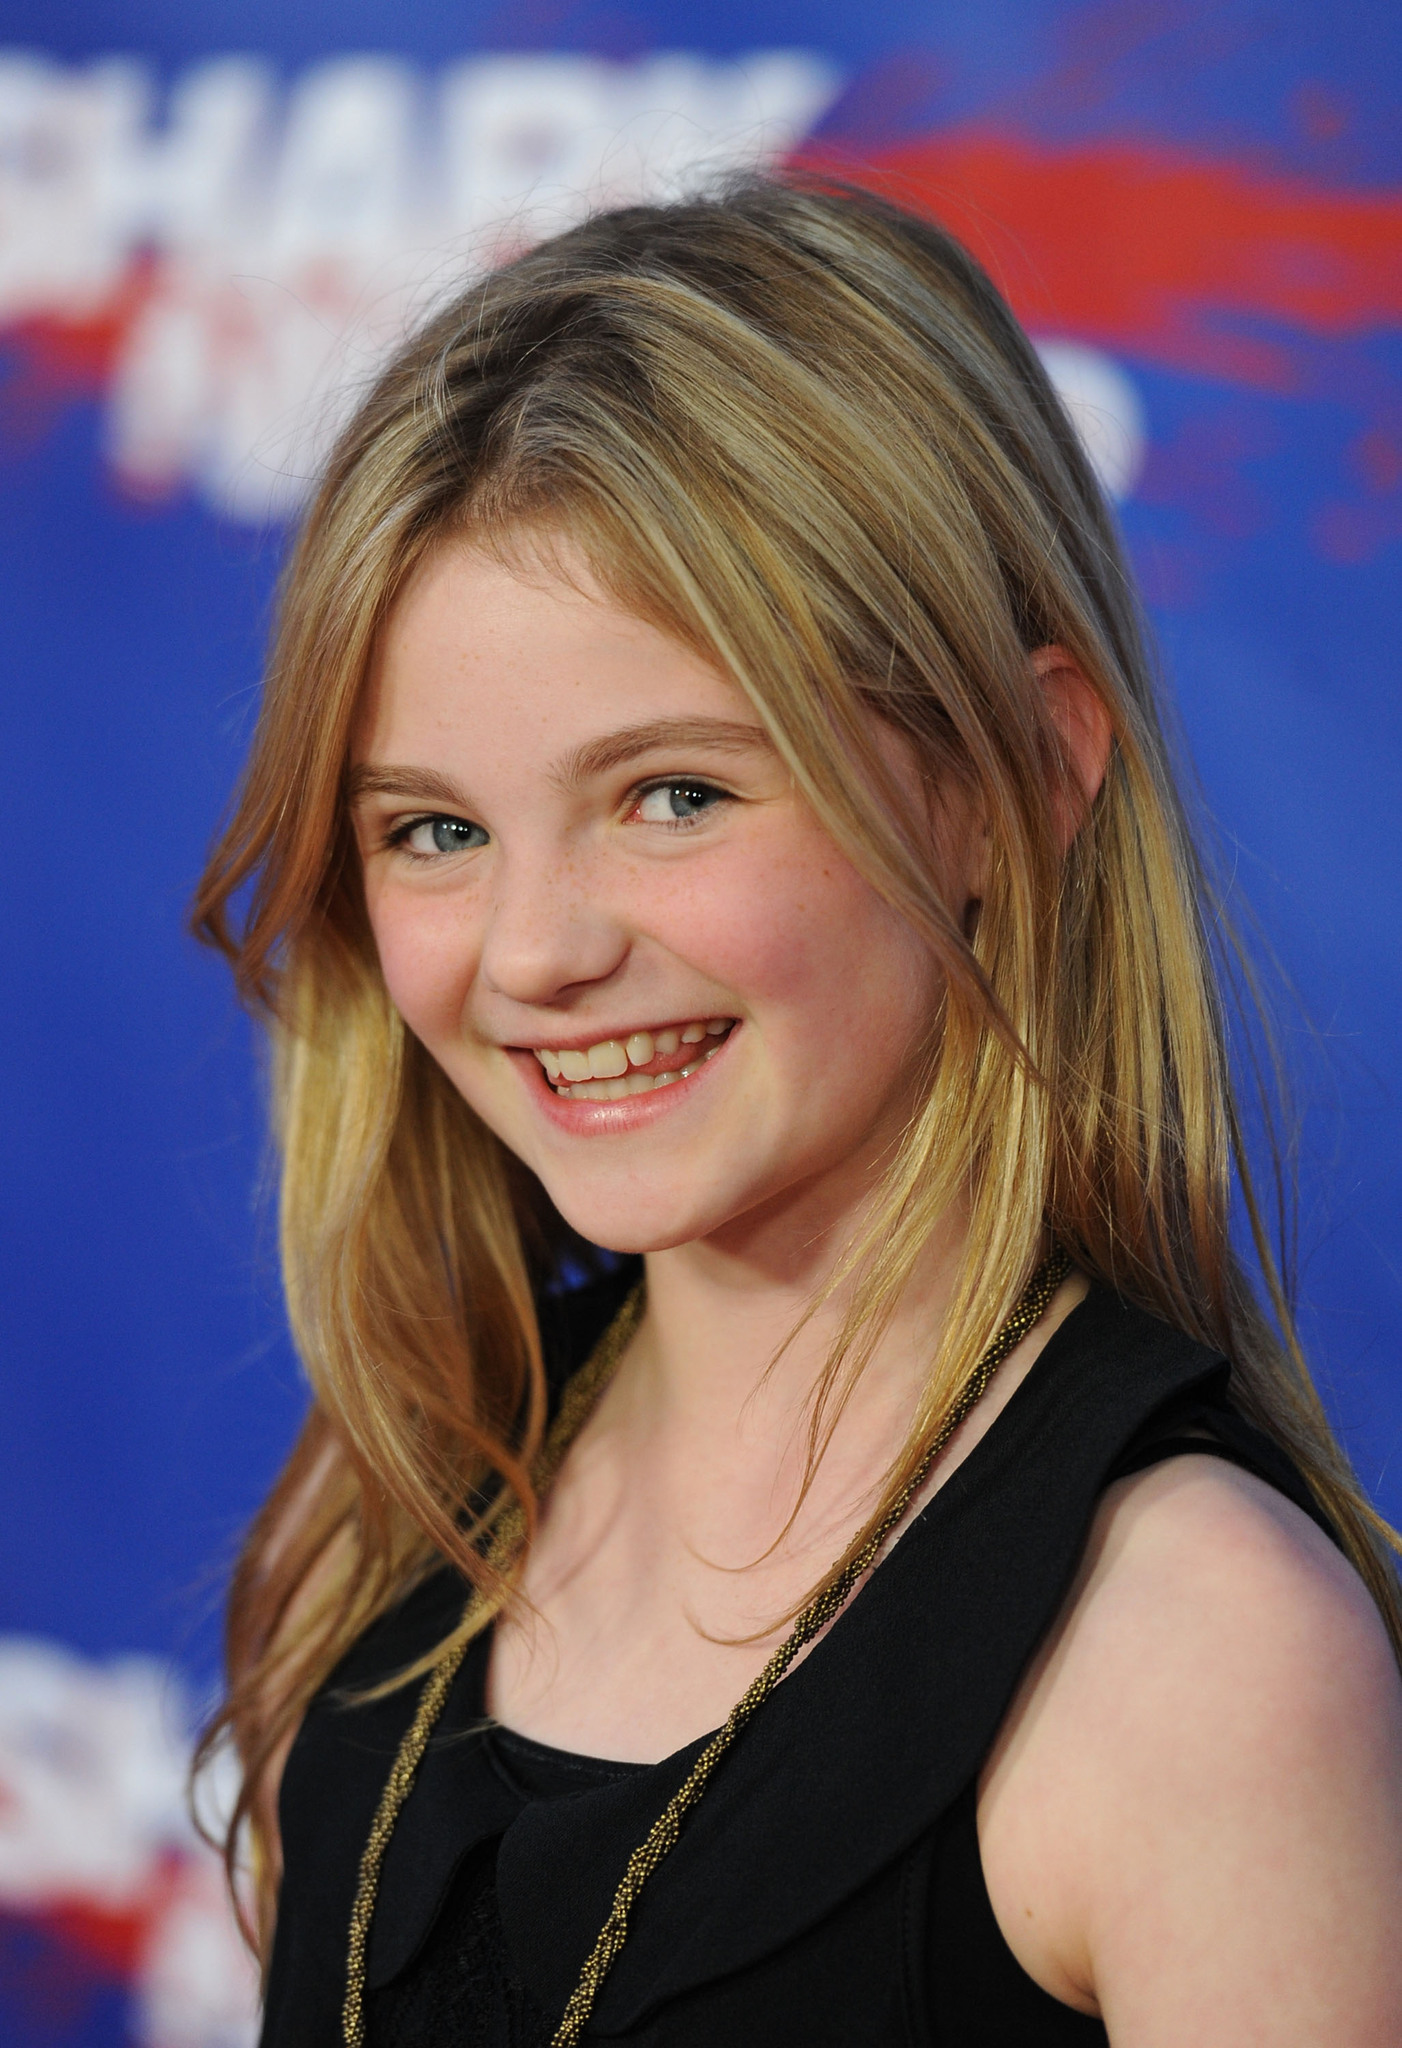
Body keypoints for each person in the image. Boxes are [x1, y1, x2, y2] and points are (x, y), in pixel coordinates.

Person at [191, 178, 1402, 2046]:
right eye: (432, 829)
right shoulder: (376, 1548)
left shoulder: (1192, 1661)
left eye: (671, 795)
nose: (534, 951)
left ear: (1015, 777)